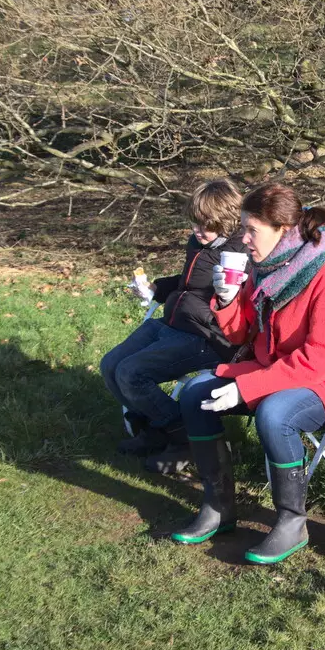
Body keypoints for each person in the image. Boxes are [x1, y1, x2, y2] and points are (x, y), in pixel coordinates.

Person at [169, 183, 325, 564]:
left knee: (275, 412)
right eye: (244, 228)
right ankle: (218, 507)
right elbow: (242, 335)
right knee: (194, 394)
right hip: (282, 369)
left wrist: (247, 387)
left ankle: (291, 521)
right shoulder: (266, 266)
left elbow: (322, 358)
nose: (243, 238)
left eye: (252, 229)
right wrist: (229, 300)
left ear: (283, 229)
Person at [99, 179, 246, 464]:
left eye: (205, 225)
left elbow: (240, 304)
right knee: (110, 365)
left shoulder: (239, 254)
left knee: (132, 373)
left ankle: (185, 436)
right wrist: (155, 289)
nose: (197, 231)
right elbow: (188, 284)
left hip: (205, 336)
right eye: (194, 223)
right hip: (172, 324)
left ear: (225, 220)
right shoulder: (199, 244)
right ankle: (154, 430)